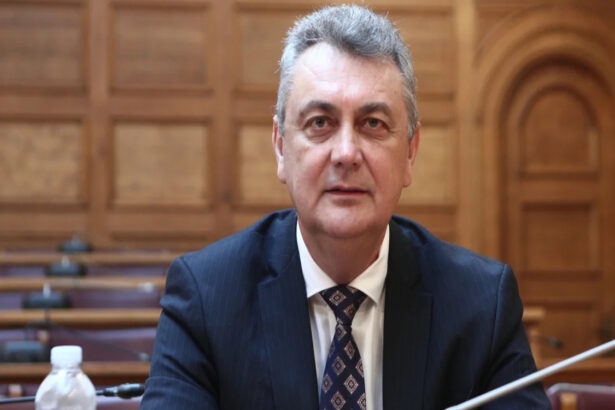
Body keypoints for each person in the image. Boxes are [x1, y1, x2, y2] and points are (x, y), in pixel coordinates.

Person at [141, 5, 549, 409]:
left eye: (373, 124)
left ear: (410, 152)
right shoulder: (207, 299)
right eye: (320, 122)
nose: (346, 153)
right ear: (281, 147)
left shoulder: (481, 305)